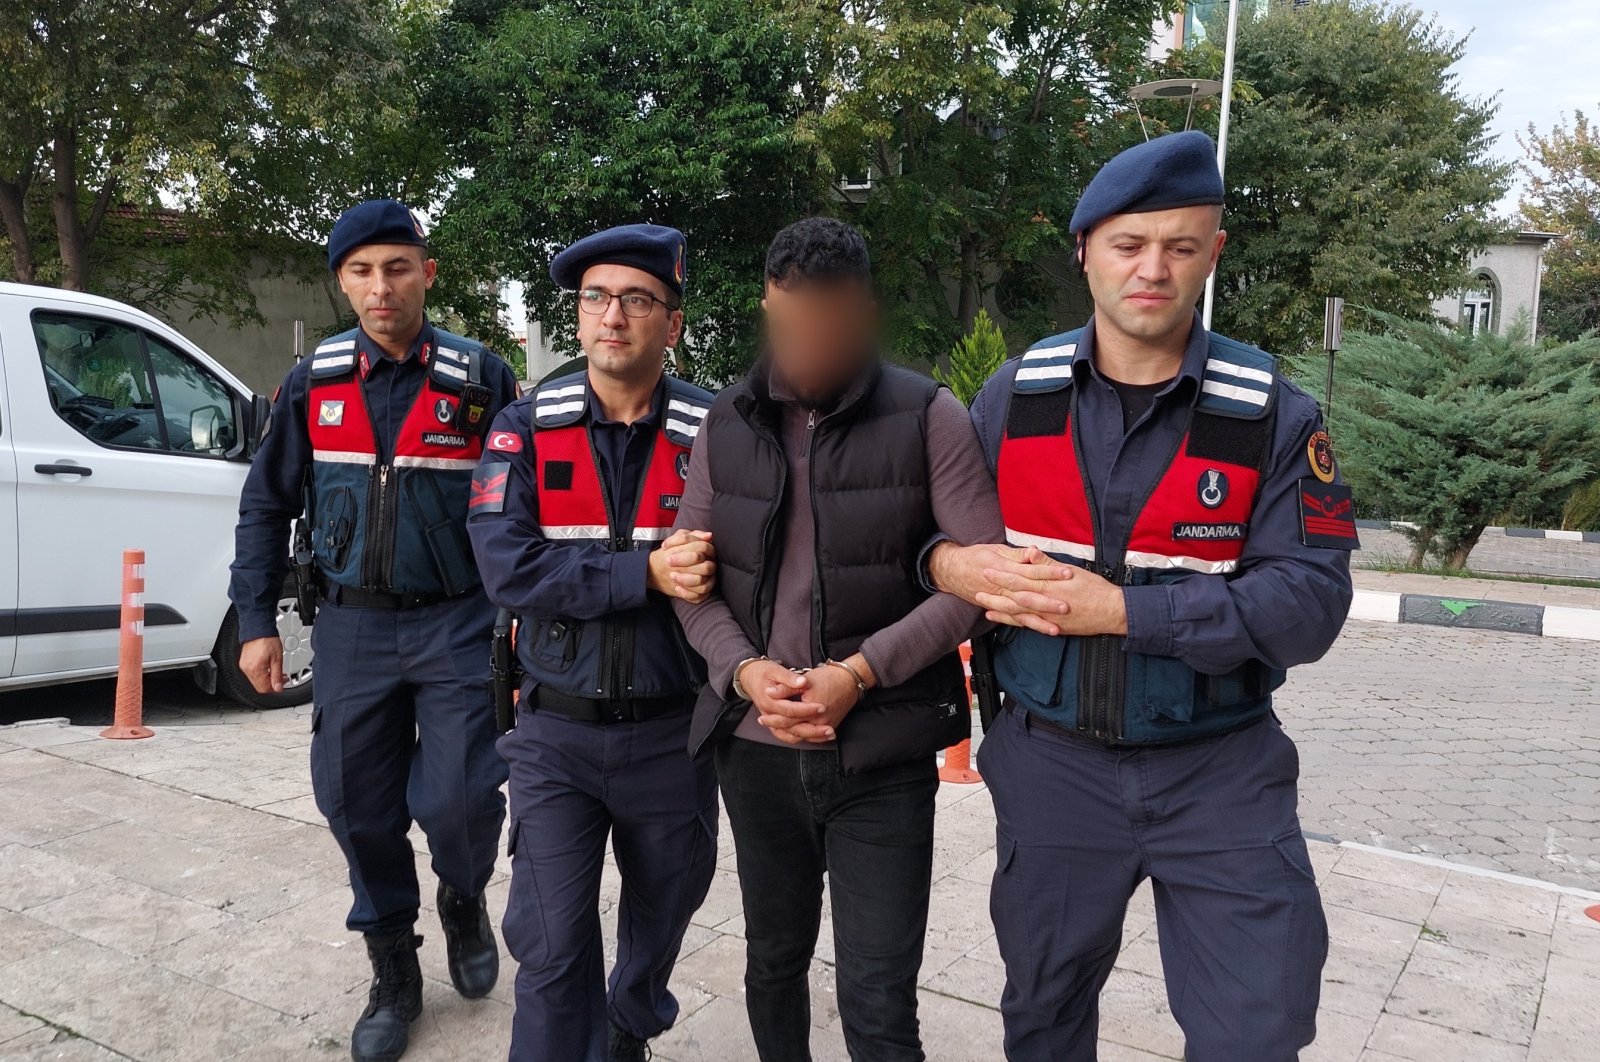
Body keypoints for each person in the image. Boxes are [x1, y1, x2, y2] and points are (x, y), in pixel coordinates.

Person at [926, 131, 1356, 1061]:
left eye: (1180, 245)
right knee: (1042, 1016)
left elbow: (1312, 603)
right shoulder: (1011, 397)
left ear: (1214, 254)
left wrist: (1123, 612)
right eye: (1128, 244)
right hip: (1052, 768)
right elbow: (924, 538)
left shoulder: (1273, 413)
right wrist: (950, 567)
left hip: (1222, 771)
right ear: (1084, 251)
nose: (1152, 269)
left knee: (1259, 1027)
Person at [672, 217, 1002, 1062]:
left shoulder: (931, 416)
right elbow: (689, 586)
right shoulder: (726, 424)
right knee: (772, 963)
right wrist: (743, 672)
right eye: (789, 325)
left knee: (879, 995)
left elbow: (977, 586)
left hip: (882, 760)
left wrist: (860, 672)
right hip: (754, 754)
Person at [230, 199, 519, 1062]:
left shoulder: (482, 379)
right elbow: (265, 503)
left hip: (460, 624)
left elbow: (522, 506)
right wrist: (256, 620)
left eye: (397, 268)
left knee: (463, 802)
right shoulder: (314, 381)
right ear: (343, 281)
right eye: (361, 271)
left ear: (428, 273)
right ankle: (393, 967)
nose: (380, 286)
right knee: (356, 807)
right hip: (353, 629)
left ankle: (462, 899)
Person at [468, 223, 720, 1062]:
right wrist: (644, 575)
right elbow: (509, 569)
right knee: (548, 941)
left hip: (674, 734)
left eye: (638, 300)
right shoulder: (523, 428)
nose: (614, 316)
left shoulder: (717, 430)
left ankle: (629, 1027)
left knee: (663, 915)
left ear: (672, 324)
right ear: (577, 318)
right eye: (597, 299)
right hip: (555, 733)